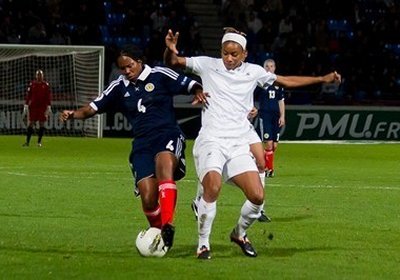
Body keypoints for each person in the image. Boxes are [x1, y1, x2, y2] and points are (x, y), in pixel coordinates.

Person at [164, 27, 341, 260]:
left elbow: (286, 81)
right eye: (225, 53)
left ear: (244, 54)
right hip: (212, 140)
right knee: (213, 187)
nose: (228, 58)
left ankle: (239, 233)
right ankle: (203, 244)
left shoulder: (255, 72)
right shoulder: (207, 65)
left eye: (234, 54)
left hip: (238, 142)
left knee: (257, 196)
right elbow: (174, 61)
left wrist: (321, 79)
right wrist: (170, 50)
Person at [59, 45, 203, 252]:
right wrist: (72, 114)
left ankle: (168, 225)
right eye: (122, 68)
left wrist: (198, 92)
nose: (126, 71)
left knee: (164, 166)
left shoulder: (159, 75)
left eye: (130, 66)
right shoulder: (119, 86)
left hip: (167, 134)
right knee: (148, 197)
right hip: (142, 144)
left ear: (140, 61)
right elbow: (92, 108)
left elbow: (191, 84)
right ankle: (159, 235)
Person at [255, 58, 285, 178]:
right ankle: (268, 169)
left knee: (274, 146)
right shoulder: (260, 83)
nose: (269, 68)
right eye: (267, 66)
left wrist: (282, 116)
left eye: (271, 66)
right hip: (265, 116)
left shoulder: (279, 83)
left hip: (276, 116)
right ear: (263, 68)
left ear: (275, 68)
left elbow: (281, 101)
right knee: (268, 145)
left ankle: (259, 162)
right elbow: (252, 97)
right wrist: (254, 108)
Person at [22, 69, 52, 147]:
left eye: (40, 75)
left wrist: (49, 106)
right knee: (30, 123)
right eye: (38, 75)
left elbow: (48, 96)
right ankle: (27, 142)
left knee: (42, 124)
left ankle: (39, 142)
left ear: (43, 76)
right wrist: (26, 105)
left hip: (42, 107)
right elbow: (28, 95)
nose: (39, 76)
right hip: (33, 107)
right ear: (36, 76)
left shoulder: (46, 85)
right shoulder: (32, 84)